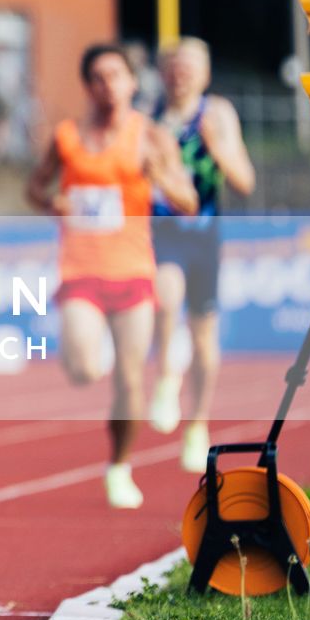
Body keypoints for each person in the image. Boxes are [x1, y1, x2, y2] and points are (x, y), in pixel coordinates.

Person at [26, 44, 197, 508]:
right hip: (81, 269)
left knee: (129, 382)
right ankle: (93, 345)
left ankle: (119, 465)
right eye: (99, 78)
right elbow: (35, 187)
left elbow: (189, 201)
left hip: (132, 270)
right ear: (88, 86)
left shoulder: (150, 136)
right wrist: (51, 202)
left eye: (117, 76)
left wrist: (162, 175)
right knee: (82, 369)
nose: (109, 86)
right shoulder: (66, 137)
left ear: (133, 82)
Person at [145, 38, 256, 472]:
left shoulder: (217, 114)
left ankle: (198, 423)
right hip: (161, 231)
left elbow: (244, 180)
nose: (181, 73)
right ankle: (167, 379)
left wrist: (218, 146)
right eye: (173, 66)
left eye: (190, 66)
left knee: (204, 336)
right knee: (163, 296)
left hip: (205, 234)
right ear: (163, 72)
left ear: (205, 74)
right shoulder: (148, 116)